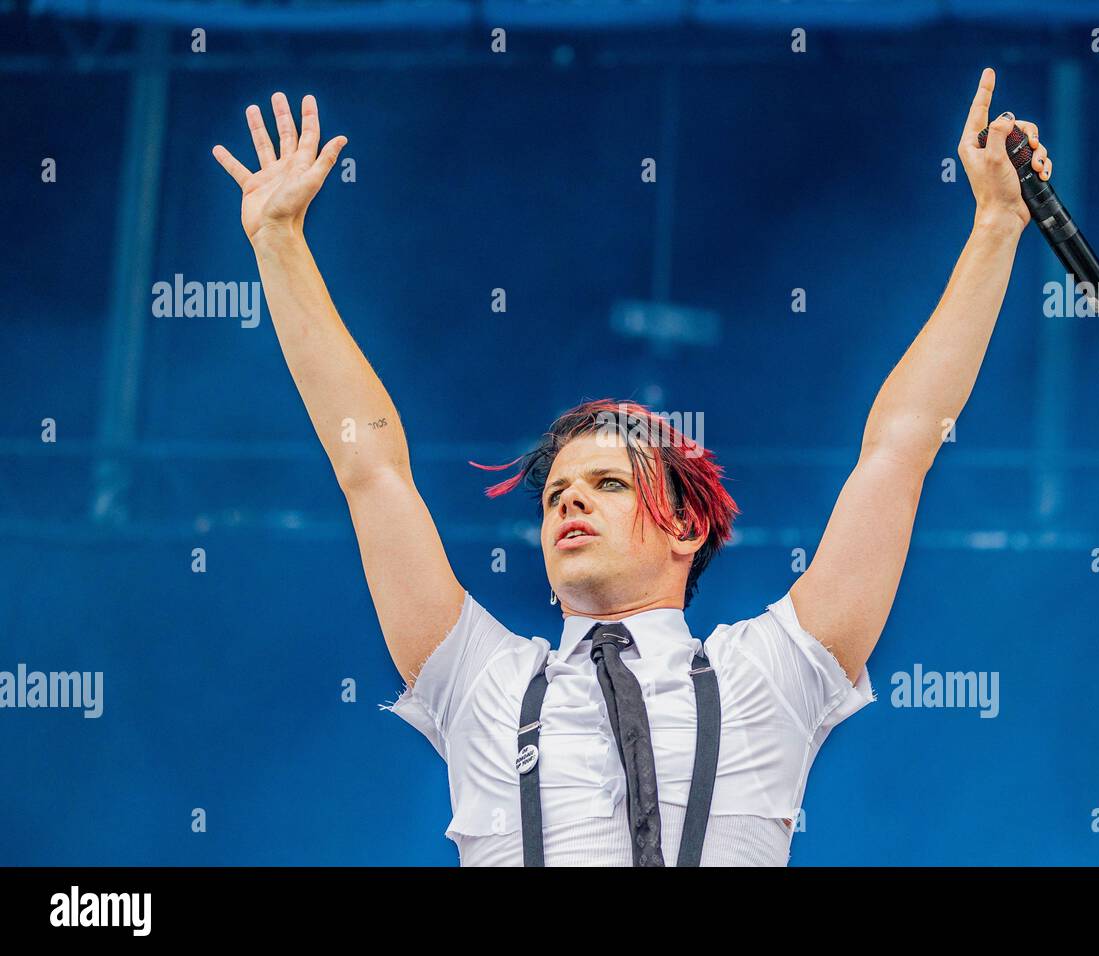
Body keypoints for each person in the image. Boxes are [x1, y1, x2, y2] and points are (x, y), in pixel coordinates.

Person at [211, 68, 1052, 866]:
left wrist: (995, 228)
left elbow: (899, 452)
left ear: (687, 527)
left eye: (608, 483)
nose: (570, 502)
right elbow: (371, 469)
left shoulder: (770, 673)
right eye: (555, 496)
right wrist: (279, 240)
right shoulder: (481, 679)